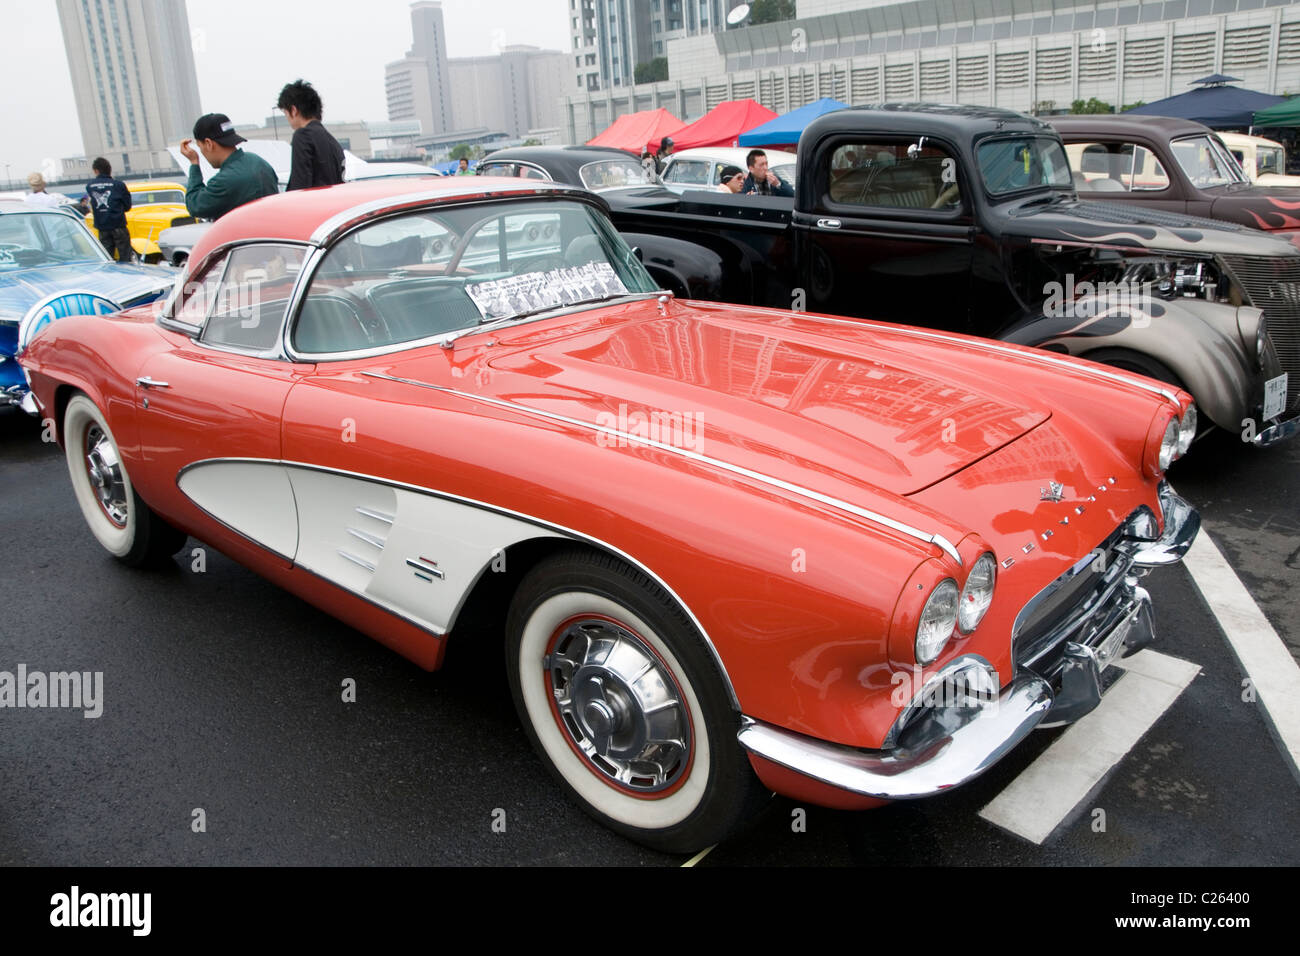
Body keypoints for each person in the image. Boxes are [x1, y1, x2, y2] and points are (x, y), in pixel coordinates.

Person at [180, 114, 280, 220]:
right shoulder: (259, 162)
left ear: (208, 143)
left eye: (200, 147)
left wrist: (194, 162)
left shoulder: (224, 180)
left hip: (245, 234)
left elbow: (194, 206)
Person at [276, 79, 345, 190]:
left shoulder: (303, 136)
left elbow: (300, 185)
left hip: (314, 205)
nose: (287, 119)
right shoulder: (332, 141)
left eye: (286, 113)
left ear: (293, 110)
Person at [85, 158, 134, 261]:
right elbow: (127, 206)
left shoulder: (90, 186)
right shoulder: (119, 185)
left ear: (96, 171)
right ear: (109, 170)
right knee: (126, 258)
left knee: (107, 259)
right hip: (118, 226)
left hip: (102, 227)